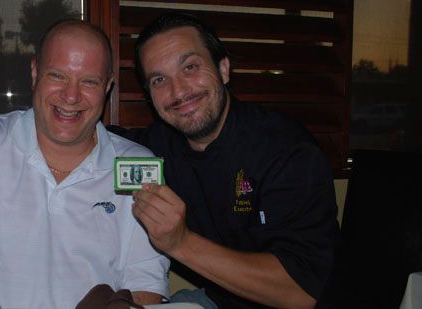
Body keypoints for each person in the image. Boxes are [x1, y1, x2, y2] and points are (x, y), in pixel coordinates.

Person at [0, 20, 169, 308]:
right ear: (35, 73)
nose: (71, 96)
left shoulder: (137, 165)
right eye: (57, 75)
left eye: (89, 81)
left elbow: (145, 283)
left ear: (107, 86)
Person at [110, 12, 339, 308]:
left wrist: (180, 243)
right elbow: (91, 133)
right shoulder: (159, 145)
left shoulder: (287, 151)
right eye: (159, 79)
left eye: (190, 67)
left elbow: (302, 291)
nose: (178, 91)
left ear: (224, 69)